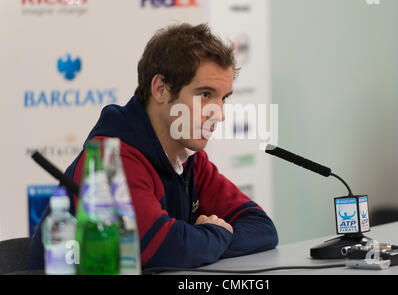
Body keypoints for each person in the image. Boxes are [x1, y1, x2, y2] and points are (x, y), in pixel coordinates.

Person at [26, 23, 278, 270]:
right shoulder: (110, 157)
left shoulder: (188, 157)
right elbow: (164, 248)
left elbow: (262, 228)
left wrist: (200, 239)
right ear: (160, 89)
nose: (219, 114)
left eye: (223, 98)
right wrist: (214, 233)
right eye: (205, 95)